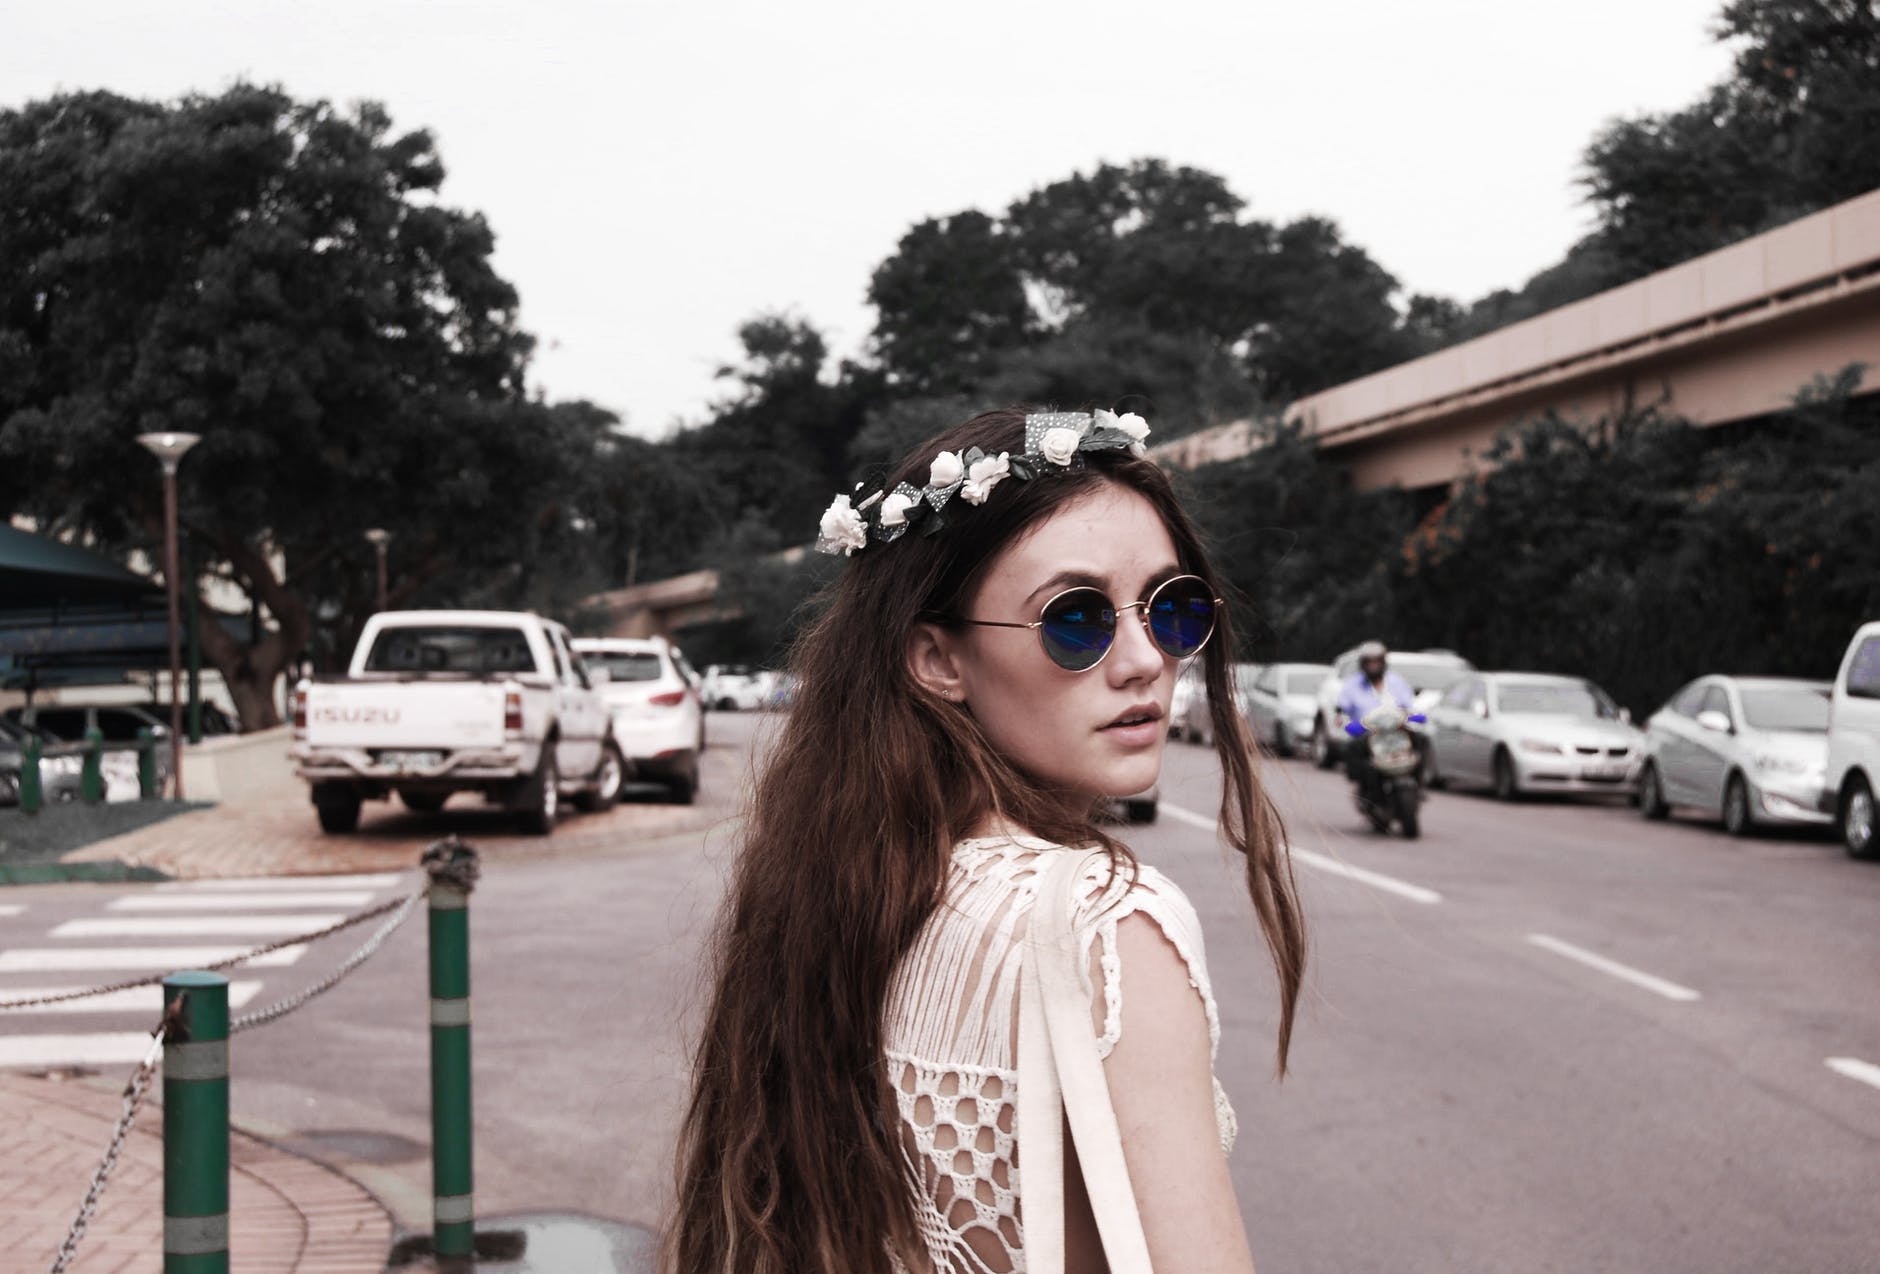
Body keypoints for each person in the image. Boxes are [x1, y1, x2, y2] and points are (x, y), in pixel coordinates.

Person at [670, 407, 1306, 1274]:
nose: (1144, 659)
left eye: (1174, 609)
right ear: (937, 659)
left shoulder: (843, 882)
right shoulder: (1108, 924)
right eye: (1075, 620)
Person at [1335, 641, 1417, 786]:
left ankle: (1418, 783)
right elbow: (1342, 707)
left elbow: (1409, 705)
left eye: (1377, 662)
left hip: (1396, 729)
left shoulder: (1396, 681)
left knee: (1421, 741)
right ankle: (1366, 788)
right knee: (1353, 748)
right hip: (1368, 732)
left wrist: (1413, 718)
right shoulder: (1352, 684)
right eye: (1369, 662)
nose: (1373, 666)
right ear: (1363, 664)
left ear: (1383, 663)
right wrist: (1342, 720)